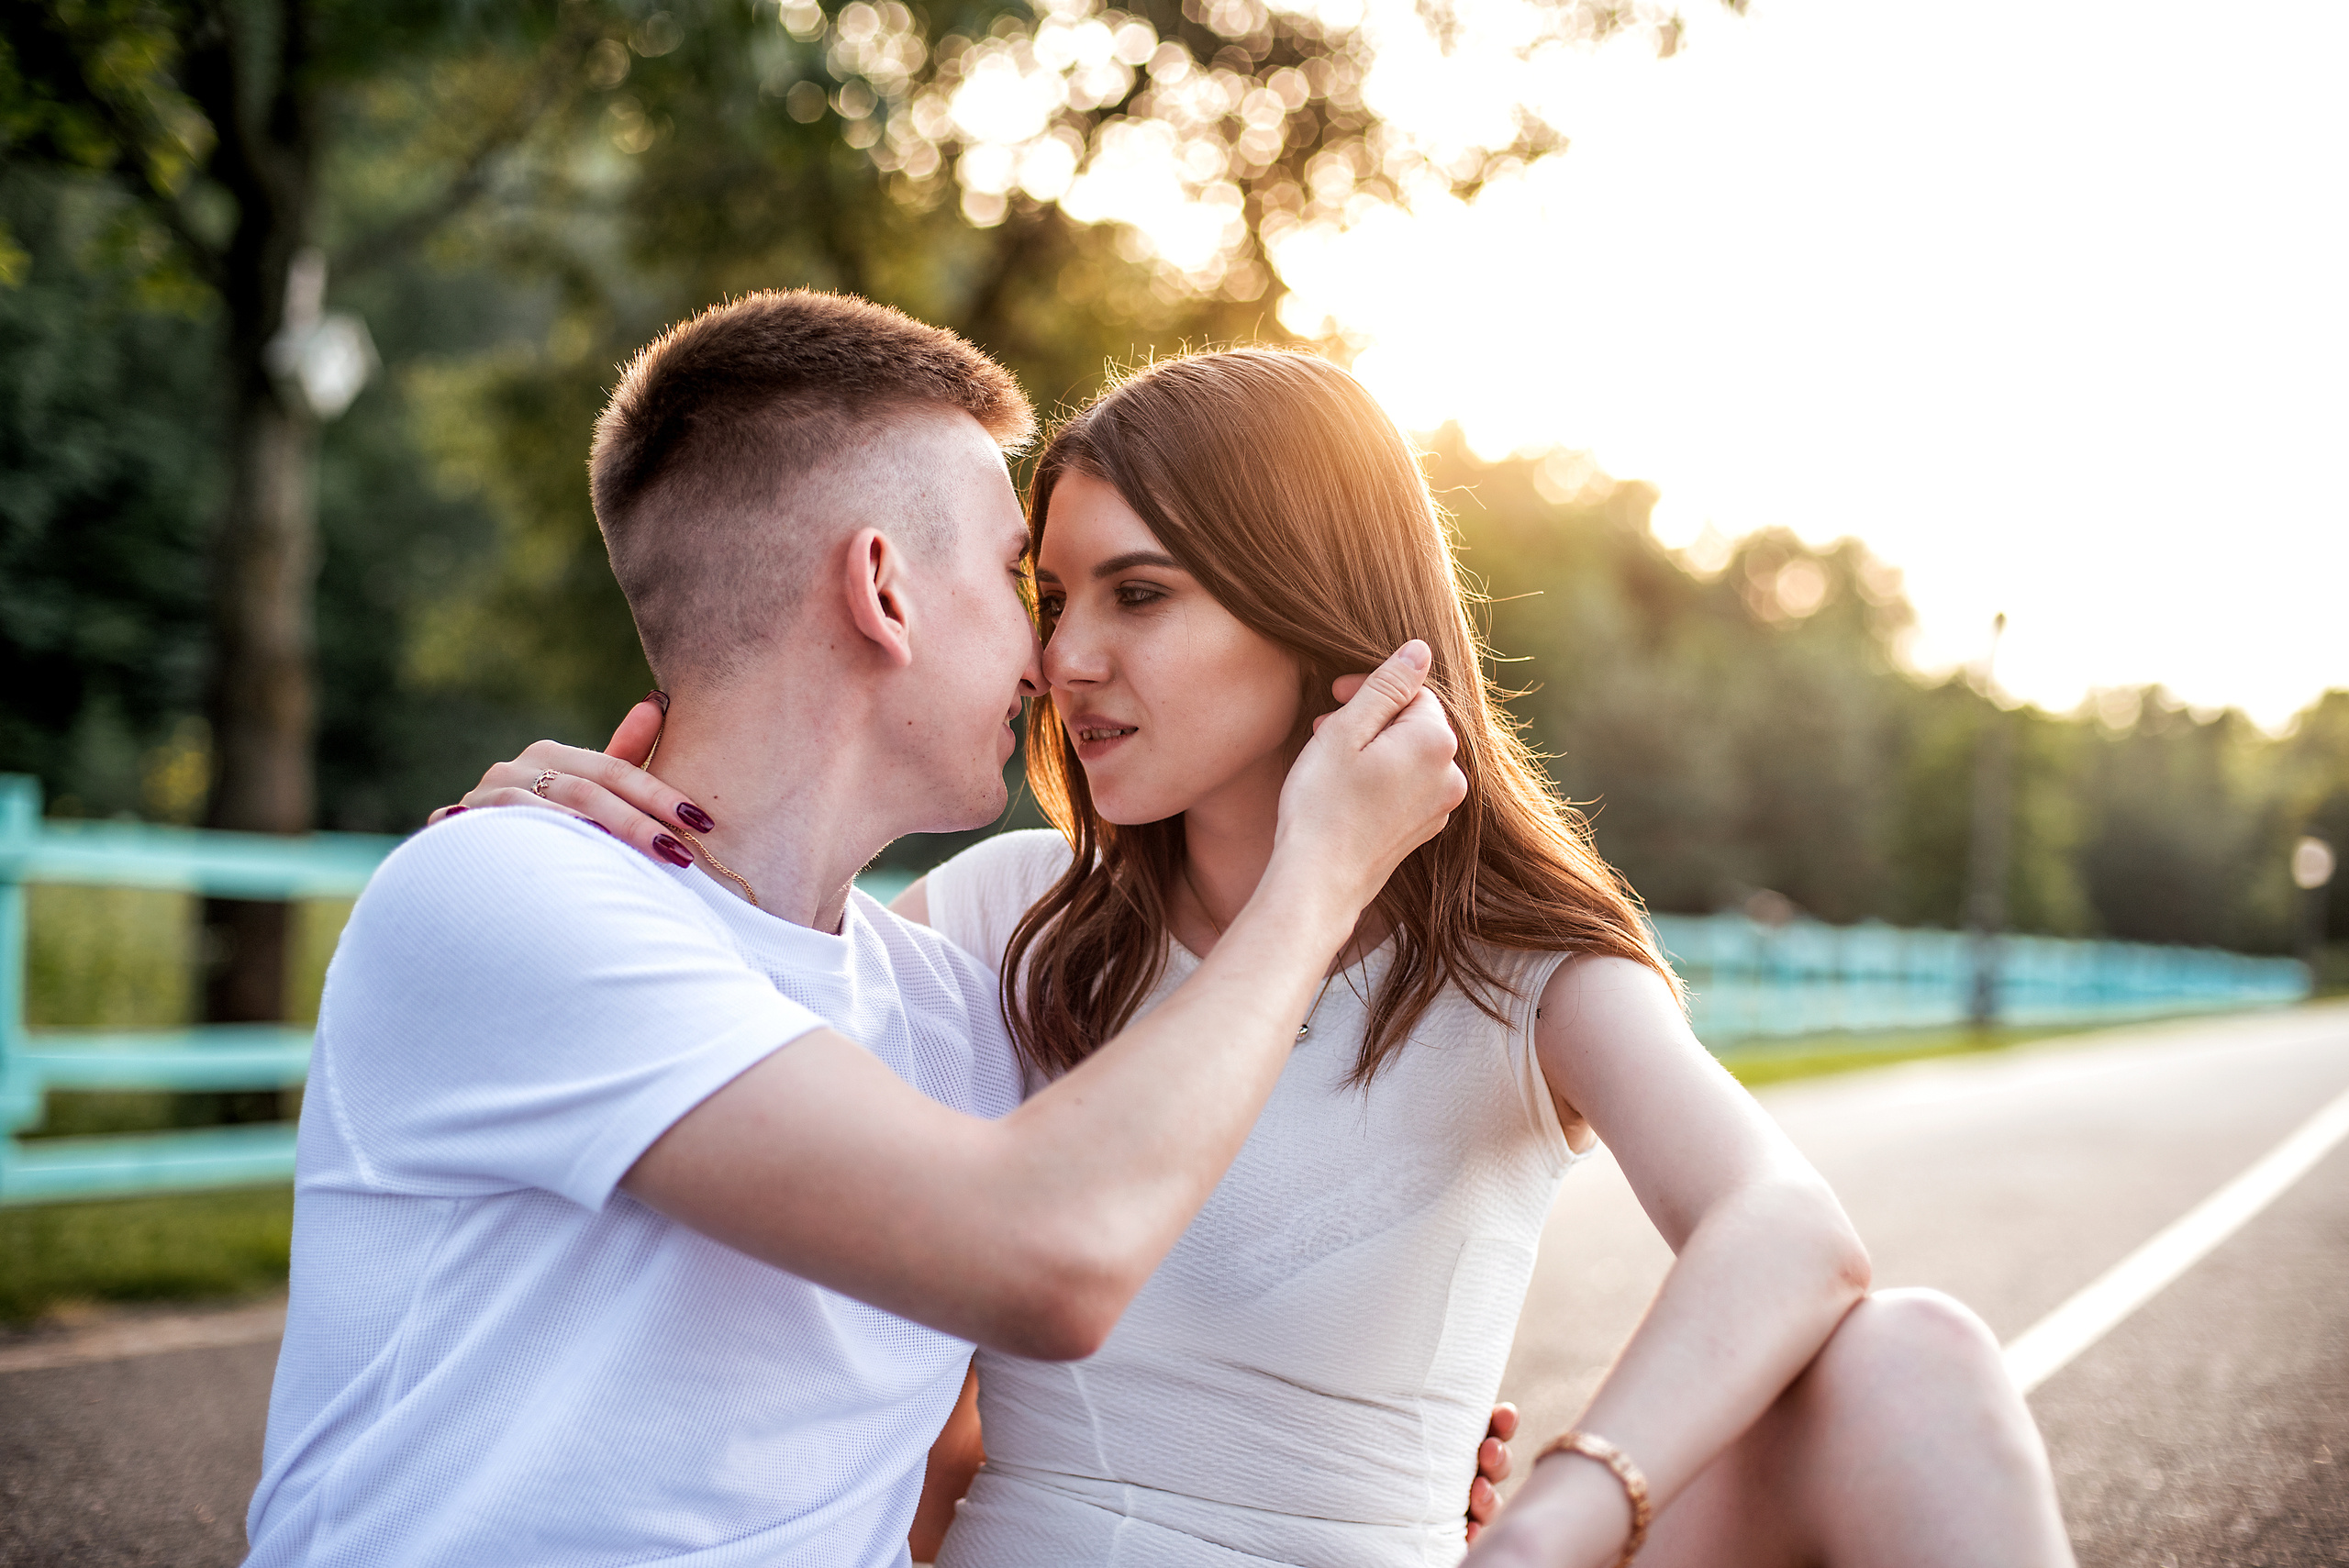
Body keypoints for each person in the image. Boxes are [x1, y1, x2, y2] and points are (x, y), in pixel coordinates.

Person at [507, 346, 2076, 1568]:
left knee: (1918, 1359)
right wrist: (558, 829)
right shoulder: (1002, 916)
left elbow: (1788, 1226)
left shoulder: (1524, 971)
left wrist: (1563, 1512)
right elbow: (727, 1052)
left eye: (1141, 594)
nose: (1065, 658)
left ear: (1310, 610)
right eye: (1051, 596)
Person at [243, 294, 1471, 1568]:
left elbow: (1001, 1429)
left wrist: (1364, 1465)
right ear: (883, 588)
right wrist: (1321, 873)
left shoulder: (964, 1011)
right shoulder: (510, 890)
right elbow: (1050, 1259)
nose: (1052, 659)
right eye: (1022, 582)